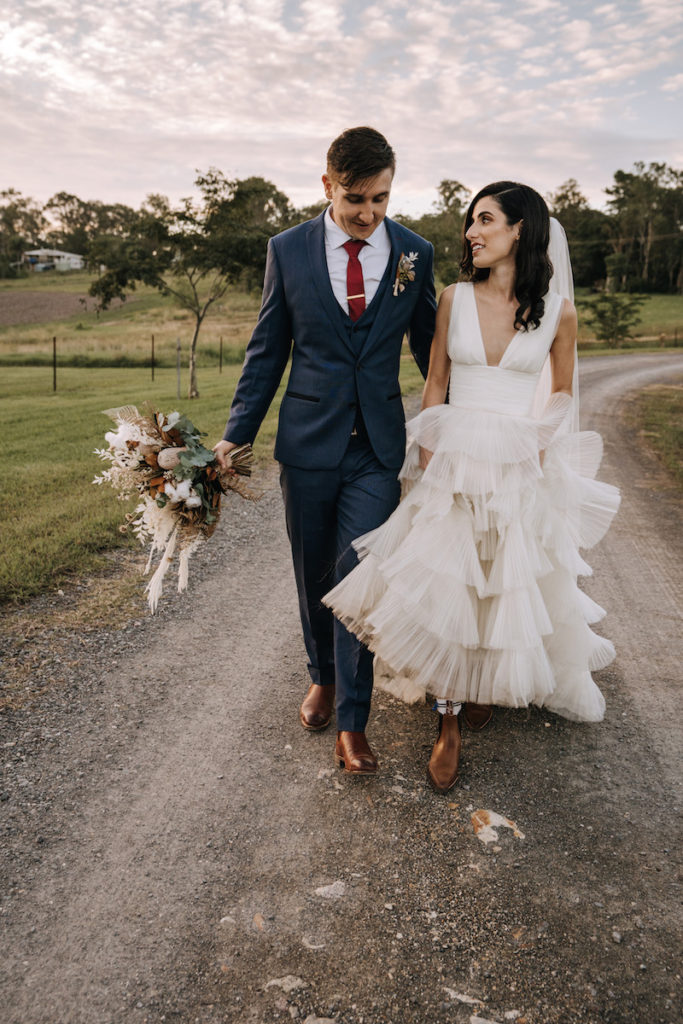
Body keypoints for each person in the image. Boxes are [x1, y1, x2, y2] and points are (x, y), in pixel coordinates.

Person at [323, 181, 620, 793]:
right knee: (448, 584)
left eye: (486, 221)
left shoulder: (559, 312)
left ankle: (486, 683)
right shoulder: (453, 299)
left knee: (501, 580)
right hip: (453, 453)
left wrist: (535, 450)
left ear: (520, 231)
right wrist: (430, 456)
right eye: (471, 222)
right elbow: (436, 382)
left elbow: (562, 393)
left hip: (518, 458)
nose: (472, 233)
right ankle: (449, 719)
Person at [213, 127, 437, 775]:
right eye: (356, 198)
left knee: (356, 575)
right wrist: (237, 432)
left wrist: (461, 418)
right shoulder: (287, 251)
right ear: (326, 185)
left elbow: (431, 352)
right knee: (313, 571)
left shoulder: (412, 254)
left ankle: (353, 721)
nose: (368, 212)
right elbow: (266, 351)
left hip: (376, 449)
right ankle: (322, 675)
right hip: (307, 444)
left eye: (381, 198)